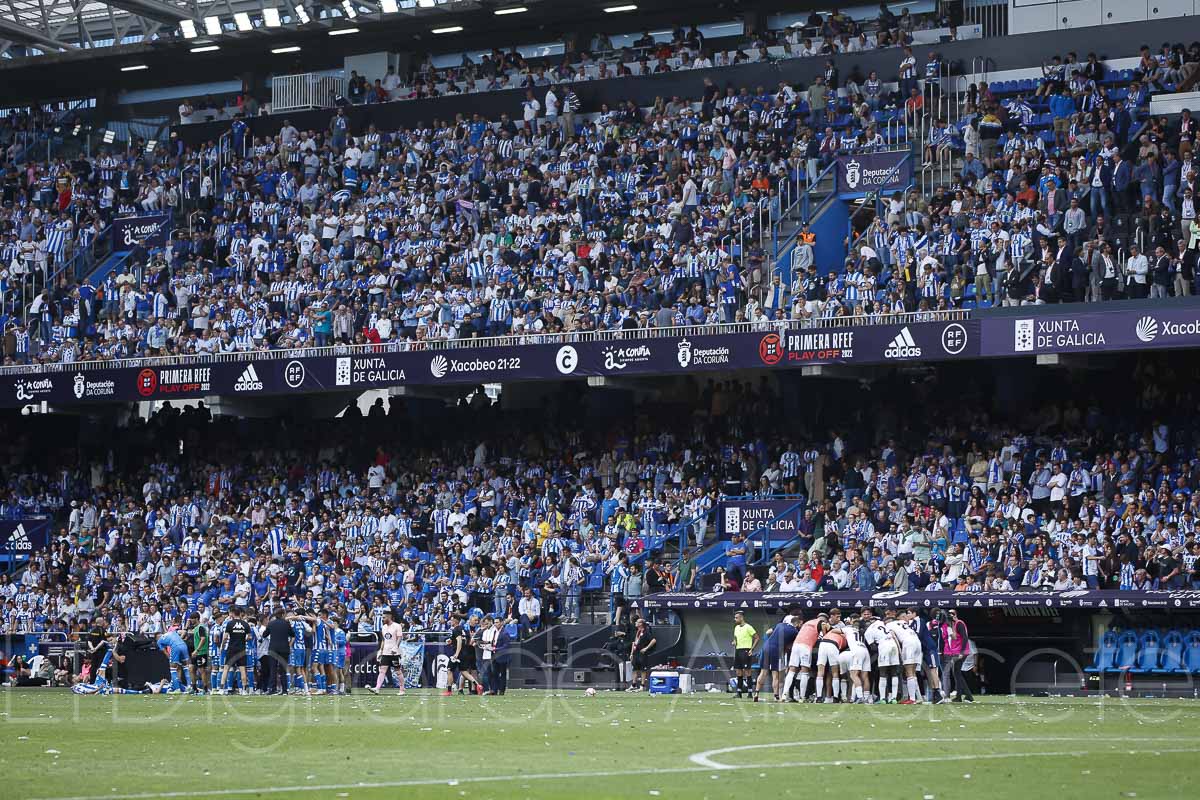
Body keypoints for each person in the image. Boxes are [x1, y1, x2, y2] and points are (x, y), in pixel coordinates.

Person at [369, 608, 406, 696]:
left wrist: (395, 647)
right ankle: (377, 688)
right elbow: (383, 640)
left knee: (398, 671)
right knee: (382, 671)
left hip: (394, 653)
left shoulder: (397, 626)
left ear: (389, 617)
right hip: (385, 652)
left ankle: (402, 689)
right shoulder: (384, 627)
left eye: (384, 617)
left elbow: (399, 638)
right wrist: (380, 651)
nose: (382, 619)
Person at [217, 606, 252, 694]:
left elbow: (225, 637)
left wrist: (222, 646)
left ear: (233, 614)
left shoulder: (230, 623)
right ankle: (244, 690)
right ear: (240, 614)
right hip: (241, 649)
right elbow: (249, 637)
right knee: (242, 669)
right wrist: (243, 639)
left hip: (231, 649)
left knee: (226, 668)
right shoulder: (245, 624)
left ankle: (221, 689)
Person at [942, 609, 975, 703]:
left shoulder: (959, 623)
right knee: (957, 673)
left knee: (957, 673)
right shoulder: (952, 625)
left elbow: (965, 638)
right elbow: (955, 638)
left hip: (961, 652)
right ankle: (963, 696)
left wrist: (962, 652)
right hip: (956, 651)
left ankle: (964, 696)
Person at [731, 610, 759, 699]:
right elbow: (735, 638)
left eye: (736, 618)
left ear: (741, 618)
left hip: (746, 650)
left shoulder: (748, 627)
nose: (735, 619)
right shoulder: (736, 628)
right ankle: (739, 692)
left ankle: (750, 692)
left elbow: (757, 637)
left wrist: (752, 649)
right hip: (738, 651)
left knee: (747, 671)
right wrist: (734, 642)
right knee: (738, 671)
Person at [264, 609, 291, 695]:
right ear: (283, 614)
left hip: (273, 649)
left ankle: (272, 689)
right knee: (283, 670)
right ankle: (284, 690)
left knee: (273, 669)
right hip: (284, 649)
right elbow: (292, 634)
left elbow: (264, 634)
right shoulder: (286, 623)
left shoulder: (271, 623)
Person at [156, 628, 191, 693]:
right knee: (186, 667)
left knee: (173, 669)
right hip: (183, 645)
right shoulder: (172, 632)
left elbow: (165, 652)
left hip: (175, 647)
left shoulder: (159, 641)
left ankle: (177, 689)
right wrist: (180, 639)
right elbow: (184, 632)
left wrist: (171, 660)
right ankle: (189, 687)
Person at [628, 616, 657, 692]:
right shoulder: (636, 632)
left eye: (637, 622)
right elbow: (634, 643)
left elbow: (653, 640)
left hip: (642, 653)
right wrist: (631, 653)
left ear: (641, 624)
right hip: (635, 653)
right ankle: (633, 685)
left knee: (642, 669)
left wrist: (646, 648)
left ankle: (642, 685)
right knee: (634, 669)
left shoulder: (646, 632)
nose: (635, 623)